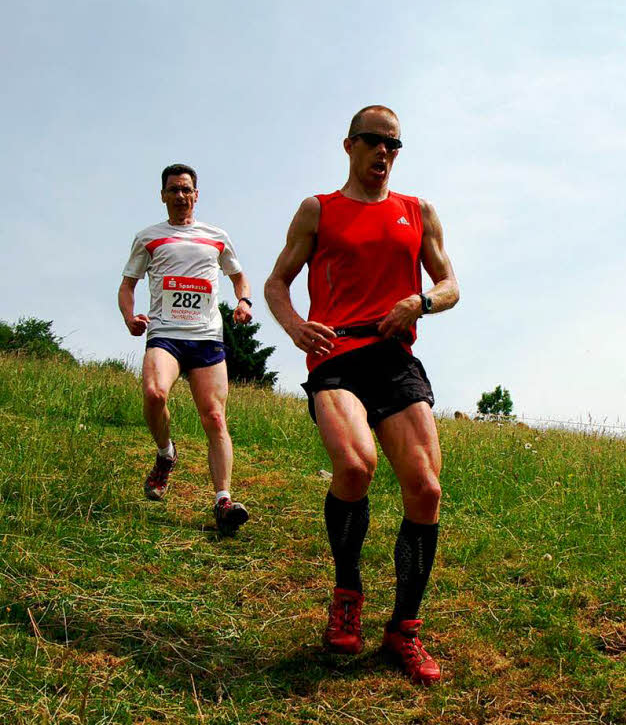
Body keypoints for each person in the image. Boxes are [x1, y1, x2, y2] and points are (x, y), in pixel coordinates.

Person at [264, 106, 459, 685]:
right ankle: (347, 592)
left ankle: (404, 628)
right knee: (354, 465)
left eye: (394, 145)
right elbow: (277, 281)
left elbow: (450, 284)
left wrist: (419, 302)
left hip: (394, 355)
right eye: (374, 142)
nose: (384, 153)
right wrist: (296, 326)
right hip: (336, 355)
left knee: (425, 488)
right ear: (349, 145)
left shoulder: (416, 212)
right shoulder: (318, 210)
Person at [119, 163, 253, 535]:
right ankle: (166, 454)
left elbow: (239, 276)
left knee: (214, 417)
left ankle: (223, 501)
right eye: (173, 190)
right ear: (162, 195)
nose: (180, 196)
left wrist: (244, 301)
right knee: (154, 392)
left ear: (196, 195)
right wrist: (130, 317)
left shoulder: (217, 236)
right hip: (165, 333)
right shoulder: (149, 237)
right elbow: (127, 285)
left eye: (186, 189)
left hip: (207, 337)